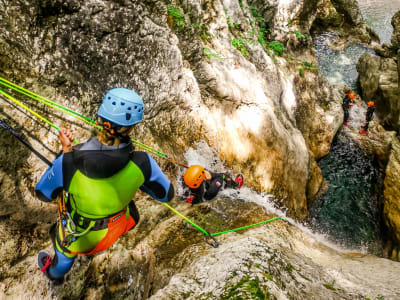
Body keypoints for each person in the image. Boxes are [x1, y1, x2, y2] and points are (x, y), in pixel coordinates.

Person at [35, 88, 174, 284]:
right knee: (131, 210)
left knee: (64, 252)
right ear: (132, 126)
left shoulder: (68, 164)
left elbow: (43, 193)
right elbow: (166, 195)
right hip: (116, 229)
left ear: (100, 119)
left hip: (80, 237)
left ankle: (54, 275)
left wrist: (65, 153)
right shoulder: (143, 163)